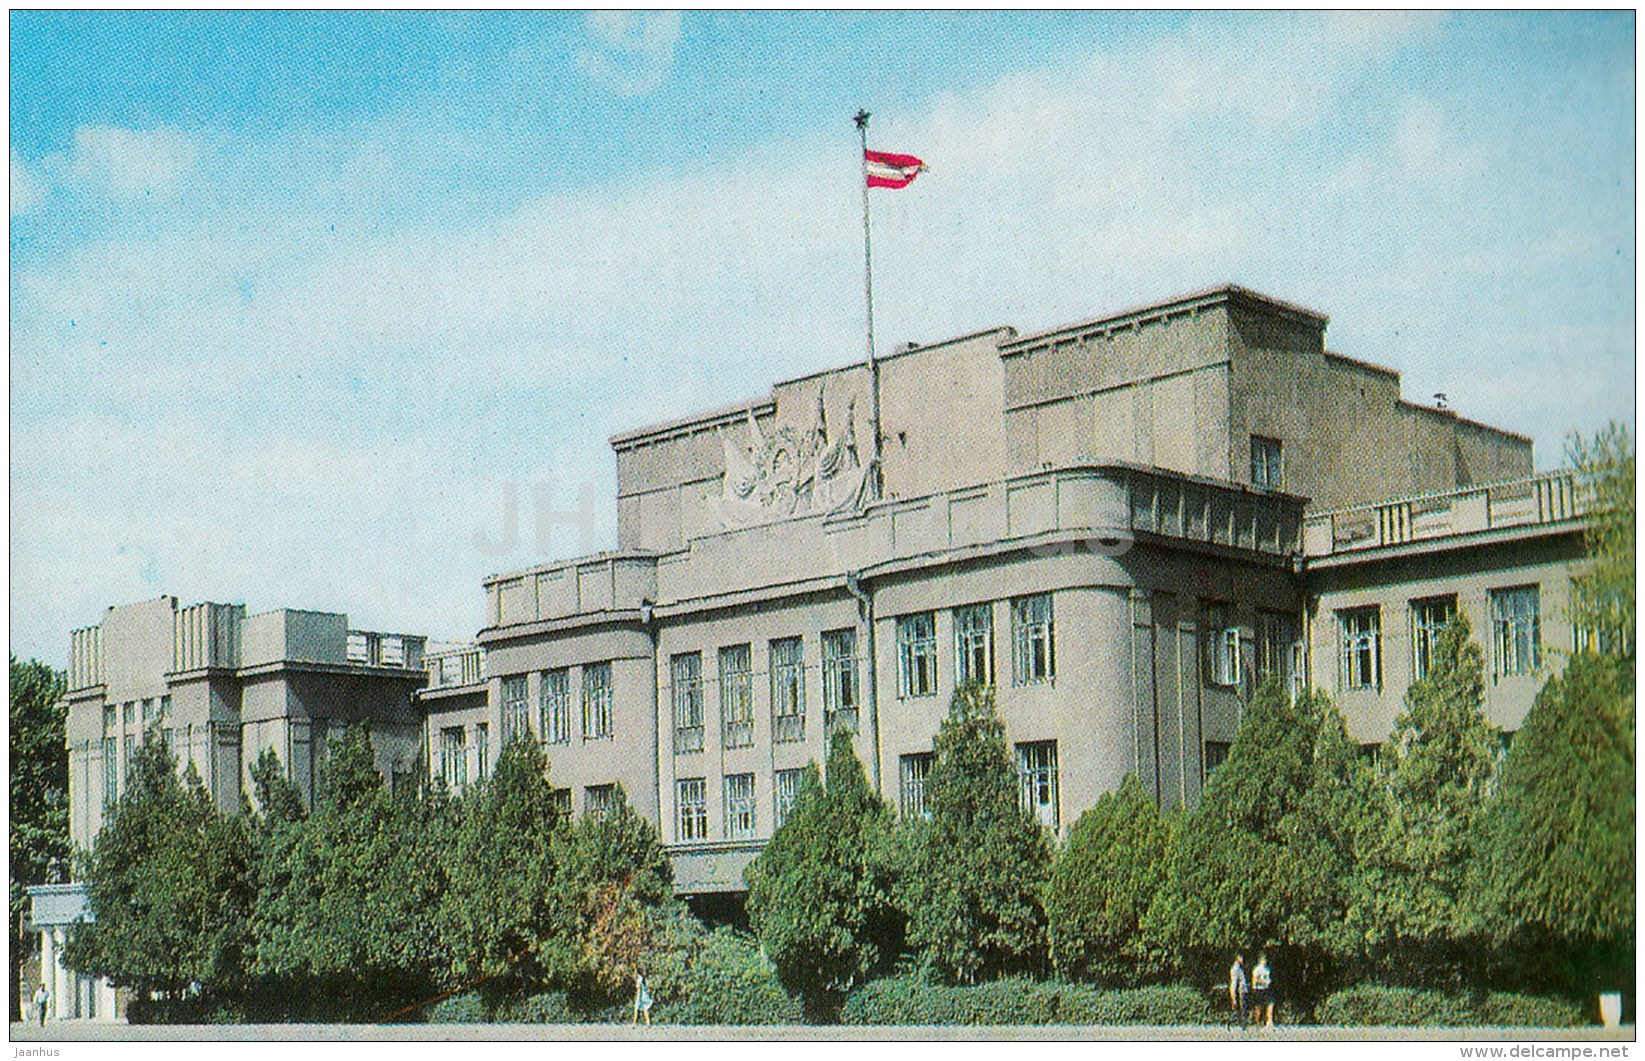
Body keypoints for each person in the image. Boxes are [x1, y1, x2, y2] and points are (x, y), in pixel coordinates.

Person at [1251, 953, 1274, 1028]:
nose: (1265, 961)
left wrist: (1268, 982)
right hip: (1258, 989)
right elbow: (1254, 980)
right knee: (1259, 1007)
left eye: (1265, 960)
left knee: (1270, 1004)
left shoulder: (1267, 969)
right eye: (1263, 960)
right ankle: (1257, 1023)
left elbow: (1268, 978)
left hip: (1266, 989)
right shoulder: (1257, 969)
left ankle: (1269, 1021)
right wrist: (1263, 982)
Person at [1228, 954, 1248, 1027]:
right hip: (1240, 991)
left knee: (1244, 1009)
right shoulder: (1235, 969)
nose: (1243, 959)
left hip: (1243, 990)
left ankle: (1242, 1024)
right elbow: (1234, 983)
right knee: (1241, 1009)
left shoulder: (1240, 968)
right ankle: (1237, 1024)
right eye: (1241, 957)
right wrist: (1233, 997)